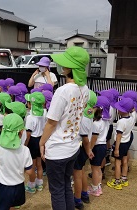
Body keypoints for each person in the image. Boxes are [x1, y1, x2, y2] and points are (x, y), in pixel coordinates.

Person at [39, 46, 90, 210]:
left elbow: (51, 122)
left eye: (65, 63)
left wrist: (41, 142)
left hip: (57, 149)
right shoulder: (85, 89)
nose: (62, 66)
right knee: (66, 184)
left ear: (70, 68)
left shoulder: (62, 91)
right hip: (73, 146)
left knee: (57, 190)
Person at [0, 113, 33, 210]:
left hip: (2, 186)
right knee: (13, 205)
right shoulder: (25, 150)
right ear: (21, 132)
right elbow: (30, 171)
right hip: (18, 186)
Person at [73, 90, 97, 209]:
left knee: (77, 174)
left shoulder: (83, 118)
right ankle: (84, 194)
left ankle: (77, 199)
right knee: (81, 171)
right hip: (83, 148)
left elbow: (85, 139)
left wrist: (88, 150)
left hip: (81, 147)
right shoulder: (89, 115)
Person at [107, 98, 135, 190]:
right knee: (125, 161)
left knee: (117, 162)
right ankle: (124, 178)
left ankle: (117, 181)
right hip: (127, 142)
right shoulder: (131, 118)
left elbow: (119, 136)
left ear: (122, 110)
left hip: (120, 144)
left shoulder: (121, 122)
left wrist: (116, 149)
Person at [88, 96, 110, 197]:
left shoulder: (97, 123)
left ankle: (94, 188)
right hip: (103, 146)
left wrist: (89, 149)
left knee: (94, 169)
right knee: (98, 168)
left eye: (94, 107)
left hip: (97, 147)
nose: (92, 108)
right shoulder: (106, 121)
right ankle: (98, 186)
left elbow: (94, 138)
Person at [25, 92, 46, 193]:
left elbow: (28, 134)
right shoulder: (43, 115)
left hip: (32, 141)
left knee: (32, 165)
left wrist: (25, 145)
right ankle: (40, 184)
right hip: (41, 139)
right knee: (39, 164)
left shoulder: (30, 117)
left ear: (31, 104)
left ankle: (31, 185)